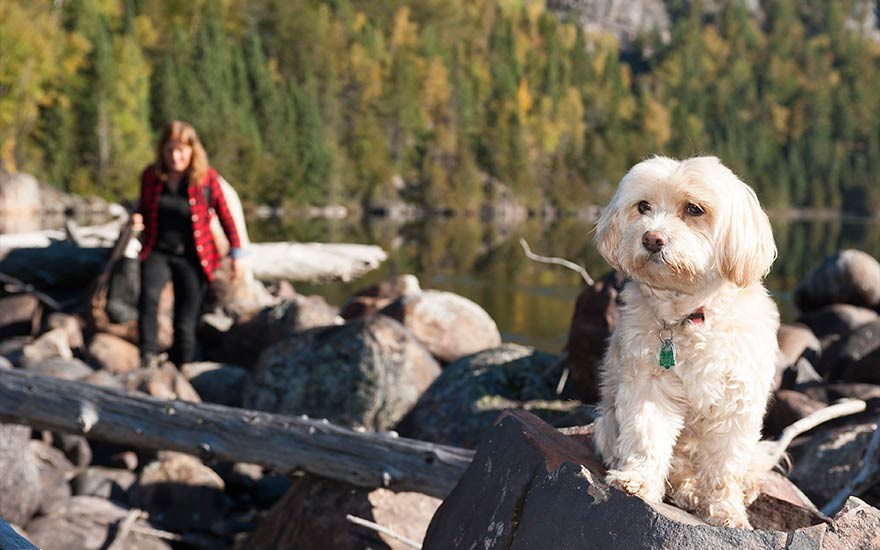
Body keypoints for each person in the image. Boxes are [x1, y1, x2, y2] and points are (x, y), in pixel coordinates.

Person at [131, 120, 244, 368]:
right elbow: (144, 207)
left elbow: (226, 216)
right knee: (148, 301)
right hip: (157, 250)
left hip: (194, 256)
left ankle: (182, 365)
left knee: (185, 318)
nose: (175, 156)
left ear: (193, 151)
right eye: (170, 149)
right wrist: (137, 217)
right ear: (162, 150)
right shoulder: (151, 176)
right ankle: (147, 359)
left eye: (181, 149)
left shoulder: (206, 179)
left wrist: (237, 253)